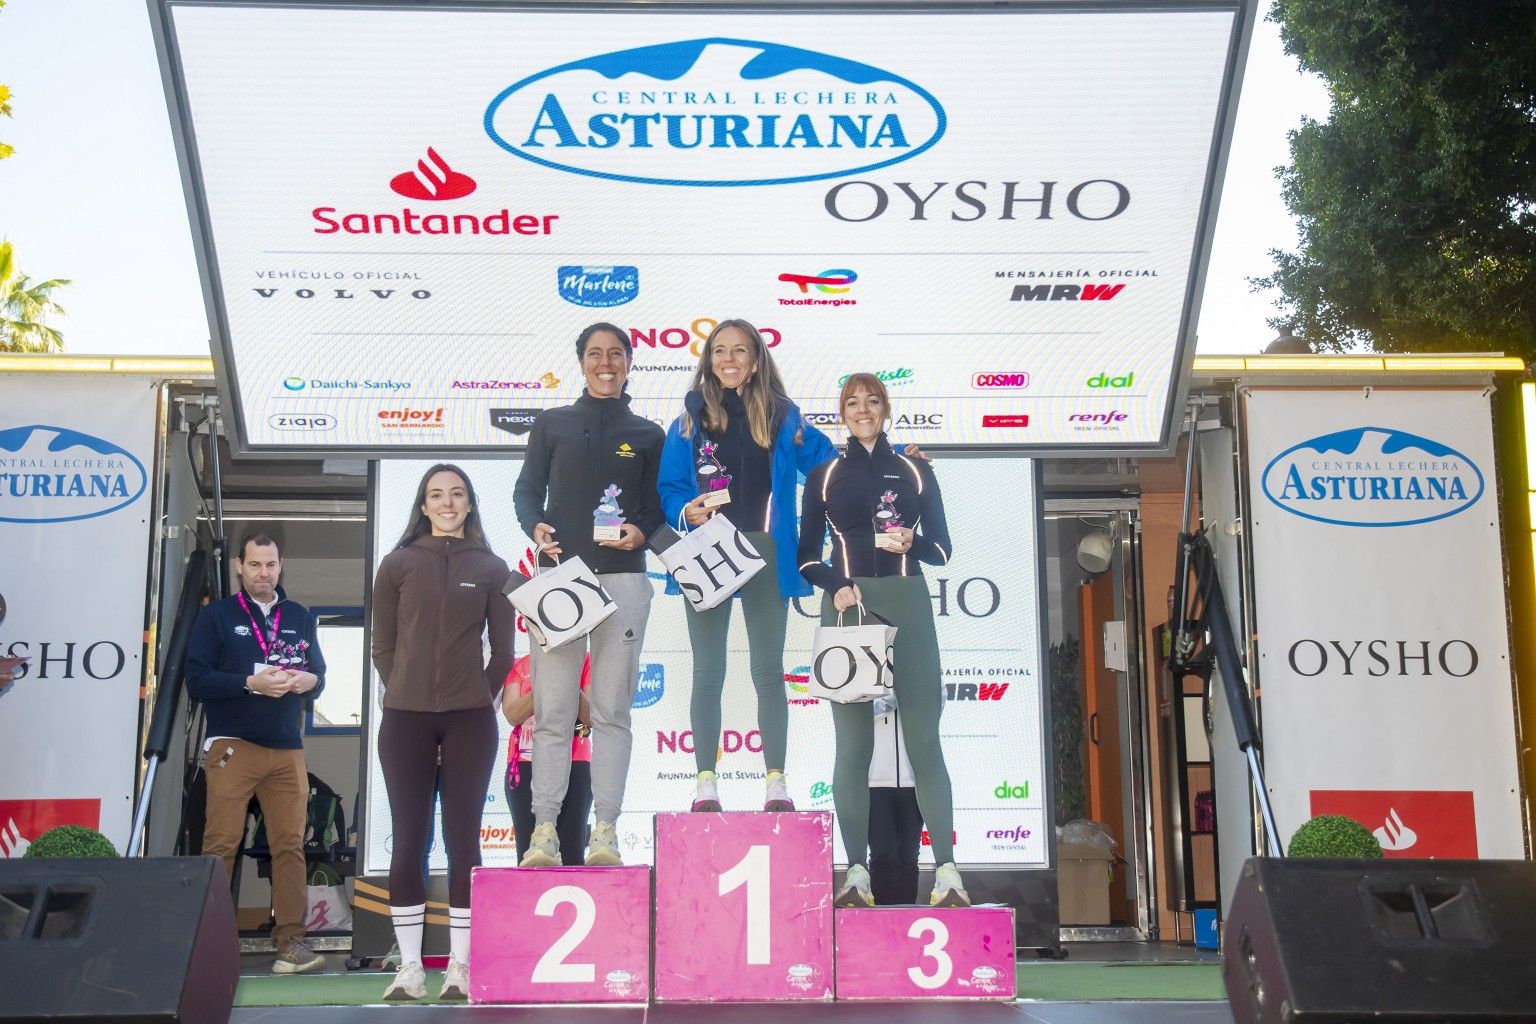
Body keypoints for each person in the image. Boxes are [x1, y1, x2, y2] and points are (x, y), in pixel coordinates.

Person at [797, 371, 969, 908]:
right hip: (848, 607)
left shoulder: (915, 470)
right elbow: (805, 558)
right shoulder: (824, 475)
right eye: (853, 402)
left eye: (873, 401)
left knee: (924, 743)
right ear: (841, 412)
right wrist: (836, 585)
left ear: (886, 409)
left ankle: (947, 873)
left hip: (908, 604)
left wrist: (914, 541)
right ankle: (855, 874)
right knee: (853, 748)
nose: (864, 410)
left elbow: (942, 553)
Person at [658, 319, 836, 813]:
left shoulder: (782, 415)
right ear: (708, 360)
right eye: (719, 351)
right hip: (708, 551)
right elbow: (670, 486)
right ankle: (705, 784)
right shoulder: (690, 420)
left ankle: (776, 782)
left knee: (767, 669)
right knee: (707, 670)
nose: (729, 359)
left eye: (739, 350)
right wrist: (684, 511)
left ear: (756, 358)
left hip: (764, 550)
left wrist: (893, 465)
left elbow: (826, 466)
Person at [513, 322, 664, 868]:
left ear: (628, 363)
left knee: (612, 712)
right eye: (596, 354)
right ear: (580, 362)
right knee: (552, 711)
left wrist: (642, 534)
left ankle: (605, 831)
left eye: (616, 354)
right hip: (561, 583)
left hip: (624, 581)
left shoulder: (648, 433)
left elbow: (654, 507)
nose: (606, 363)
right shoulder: (552, 425)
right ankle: (544, 832)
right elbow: (527, 490)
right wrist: (536, 526)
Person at [372, 465, 515, 1001]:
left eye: (456, 494)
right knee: (410, 839)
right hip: (405, 719)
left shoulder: (493, 568)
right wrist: (402, 687)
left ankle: (460, 965)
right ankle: (410, 969)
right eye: (437, 495)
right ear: (424, 505)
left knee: (463, 843)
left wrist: (478, 694)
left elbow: (503, 652)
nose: (447, 502)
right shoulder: (398, 564)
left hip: (469, 720)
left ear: (470, 504)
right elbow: (381, 645)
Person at [186, 531, 327, 974]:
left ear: (281, 565)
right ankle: (204, 949)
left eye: (271, 565)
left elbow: (317, 672)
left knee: (290, 847)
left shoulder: (300, 616)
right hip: (233, 746)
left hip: (287, 750)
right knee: (220, 846)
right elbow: (197, 680)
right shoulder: (218, 617)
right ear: (238, 567)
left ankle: (291, 943)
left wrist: (309, 682)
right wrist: (250, 682)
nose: (263, 573)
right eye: (254, 565)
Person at [502, 653, 593, 865]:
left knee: (571, 852)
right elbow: (512, 714)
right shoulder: (520, 665)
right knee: (529, 853)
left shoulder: (586, 660)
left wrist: (566, 681)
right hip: (524, 767)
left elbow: (592, 717)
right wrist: (547, 683)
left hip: (574, 763)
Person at [868, 694, 923, 905]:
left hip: (914, 781)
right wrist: (890, 700)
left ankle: (907, 918)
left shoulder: (919, 671)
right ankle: (881, 917)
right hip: (875, 781)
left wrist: (910, 696)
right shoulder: (869, 669)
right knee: (882, 853)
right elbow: (858, 711)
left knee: (908, 856)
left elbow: (936, 700)